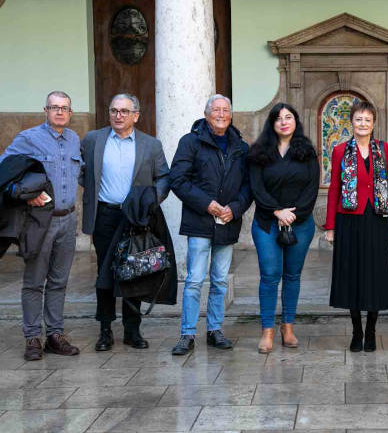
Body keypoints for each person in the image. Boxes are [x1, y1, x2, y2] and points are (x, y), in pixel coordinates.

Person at [80, 93, 171, 351]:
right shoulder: (93, 140)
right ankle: (105, 330)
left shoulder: (151, 145)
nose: (118, 116)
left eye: (124, 111)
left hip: (136, 218)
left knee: (135, 272)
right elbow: (83, 173)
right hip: (105, 216)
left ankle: (132, 330)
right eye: (114, 110)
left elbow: (164, 177)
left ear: (136, 115)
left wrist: (151, 200)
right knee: (105, 273)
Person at [0, 91, 82, 360]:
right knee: (34, 281)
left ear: (71, 113)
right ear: (45, 110)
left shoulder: (74, 140)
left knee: (59, 281)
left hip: (68, 219)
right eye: (54, 107)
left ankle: (55, 335)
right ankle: (32, 337)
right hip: (39, 222)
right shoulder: (28, 138)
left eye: (64, 108)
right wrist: (24, 193)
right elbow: (5, 170)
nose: (59, 112)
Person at [169, 94, 252, 355]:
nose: (220, 114)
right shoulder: (190, 142)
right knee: (194, 280)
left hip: (227, 222)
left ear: (231, 115)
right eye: (215, 109)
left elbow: (249, 186)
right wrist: (207, 204)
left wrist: (235, 209)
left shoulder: (241, 147)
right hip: (200, 221)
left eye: (225, 110)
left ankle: (215, 329)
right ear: (206, 114)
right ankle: (187, 334)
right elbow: (178, 180)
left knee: (219, 281)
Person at [324, 101, 388, 352]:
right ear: (352, 122)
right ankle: (356, 331)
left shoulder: (384, 149)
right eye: (358, 119)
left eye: (367, 120)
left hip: (378, 219)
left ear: (373, 123)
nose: (363, 124)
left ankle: (371, 330)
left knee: (375, 275)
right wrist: (330, 226)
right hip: (348, 219)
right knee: (352, 275)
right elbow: (335, 189)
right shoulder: (339, 151)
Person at [248, 103, 319, 353]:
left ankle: (287, 326)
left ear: (296, 121)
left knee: (292, 275)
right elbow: (256, 187)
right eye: (278, 118)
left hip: (300, 223)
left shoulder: (307, 152)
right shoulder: (259, 152)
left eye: (288, 117)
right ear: (272, 123)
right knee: (269, 275)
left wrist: (293, 214)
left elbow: (312, 188)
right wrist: (277, 211)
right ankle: (267, 329)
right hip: (267, 222)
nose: (283, 122)